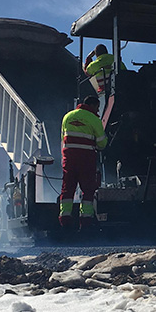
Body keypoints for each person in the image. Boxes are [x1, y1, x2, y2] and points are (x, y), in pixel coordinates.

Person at [59, 95, 108, 230]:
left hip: (69, 159)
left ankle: (65, 220)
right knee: (87, 190)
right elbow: (102, 143)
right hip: (86, 160)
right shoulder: (94, 120)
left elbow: (63, 138)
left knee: (67, 189)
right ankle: (85, 222)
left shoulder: (67, 117)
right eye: (97, 108)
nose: (98, 111)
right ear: (93, 106)